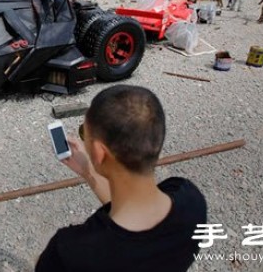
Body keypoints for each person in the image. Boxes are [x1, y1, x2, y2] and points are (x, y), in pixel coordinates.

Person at [36, 85, 207, 272]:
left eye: (84, 133)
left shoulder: (69, 253)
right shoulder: (191, 200)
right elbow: (133, 214)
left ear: (100, 152)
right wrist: (88, 171)